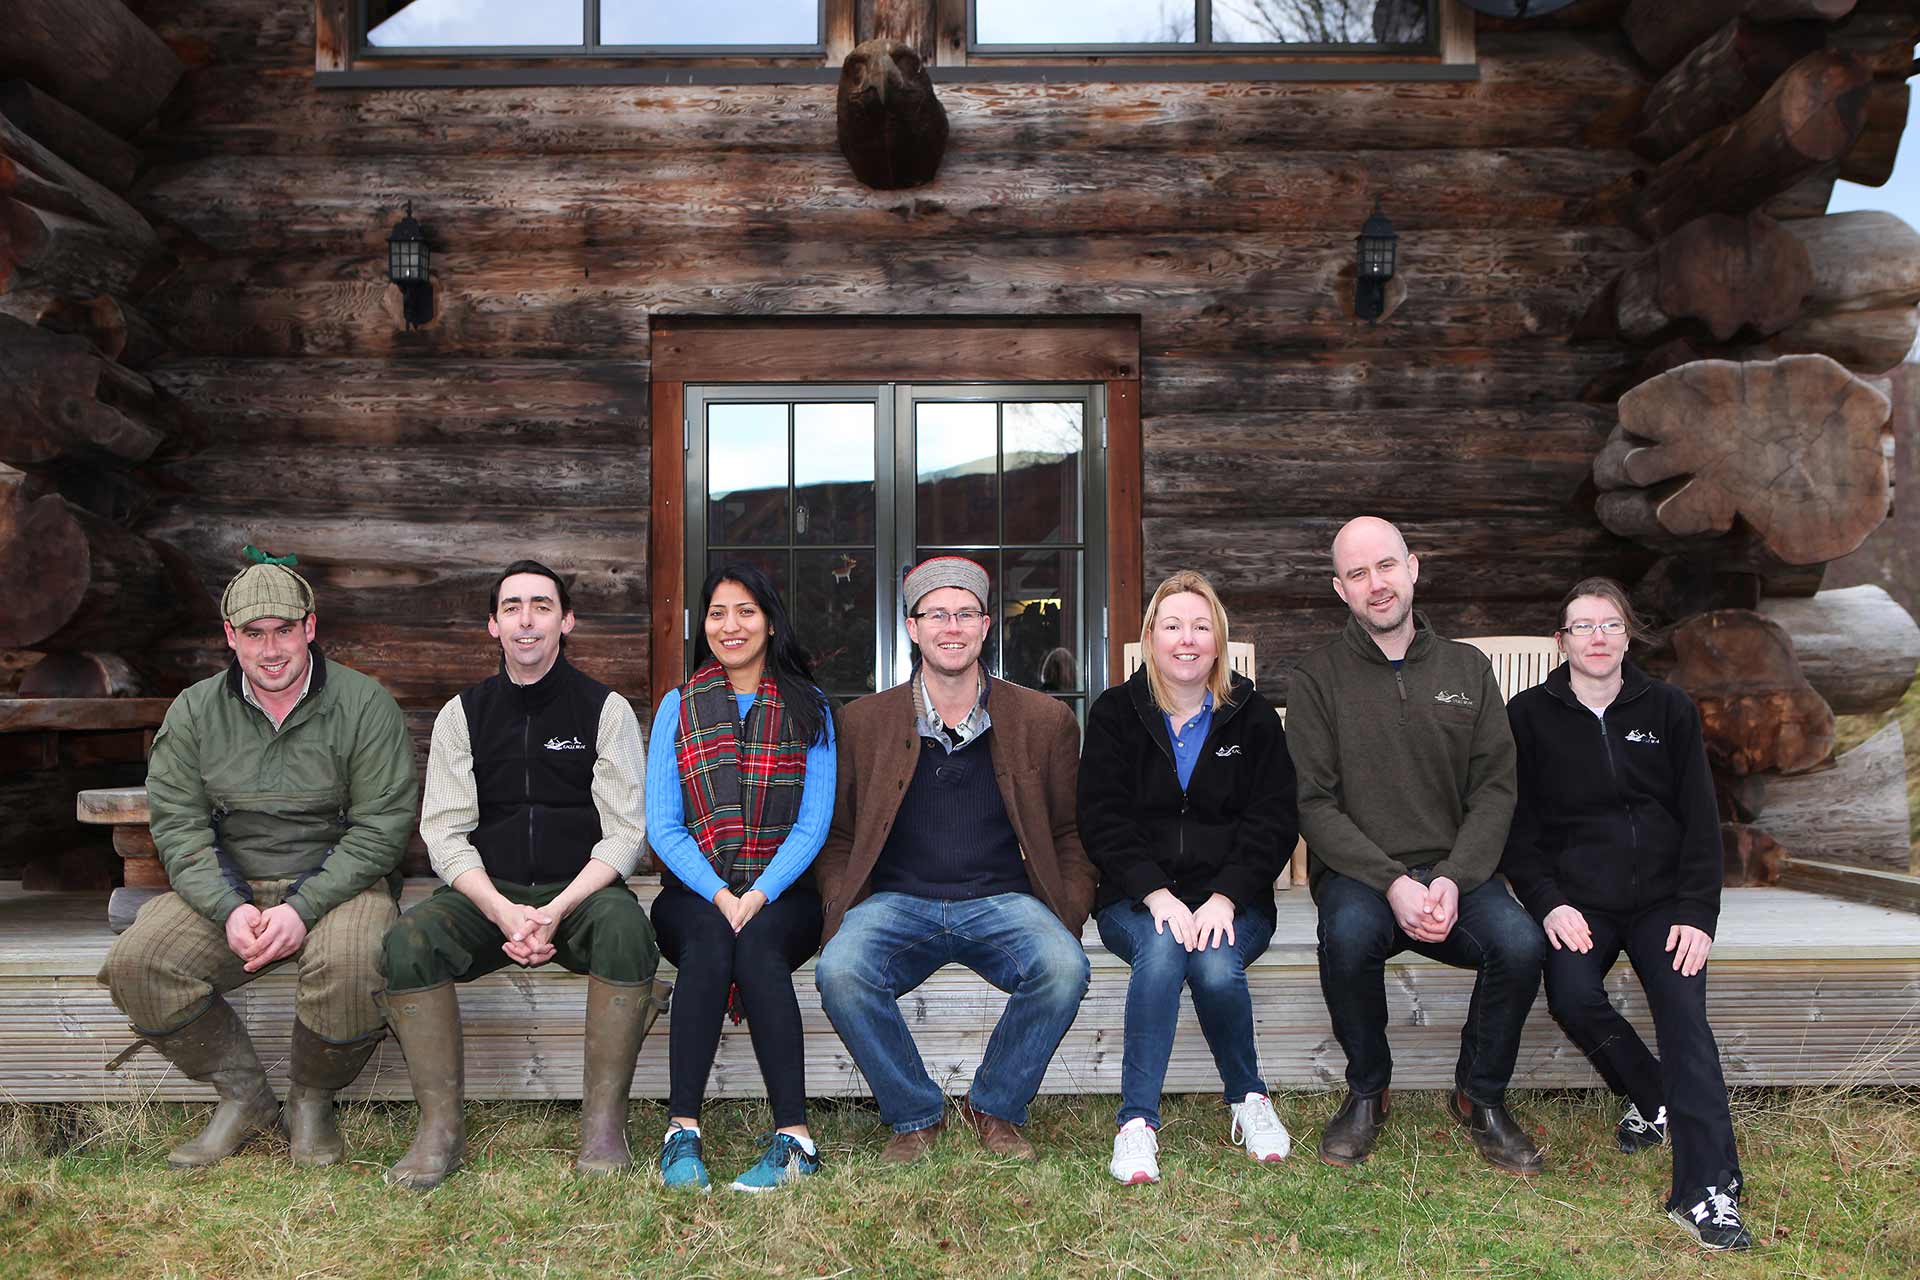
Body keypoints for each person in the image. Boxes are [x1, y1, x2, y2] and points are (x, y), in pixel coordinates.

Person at [99, 552, 418, 1169]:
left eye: (283, 630)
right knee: (138, 963)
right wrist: (229, 908)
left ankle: (312, 1100)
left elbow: (382, 828)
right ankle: (244, 1096)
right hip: (230, 884)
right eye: (253, 633)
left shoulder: (364, 704)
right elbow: (179, 828)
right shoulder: (193, 711)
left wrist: (302, 908)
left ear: (310, 628)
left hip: (338, 883)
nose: (271, 649)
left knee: (359, 960)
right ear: (230, 637)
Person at [380, 560, 660, 1190]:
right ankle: (438, 1131)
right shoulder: (463, 714)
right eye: (512, 607)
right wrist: (503, 910)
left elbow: (625, 833)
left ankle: (604, 1126)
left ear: (567, 621)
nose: (526, 619)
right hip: (488, 892)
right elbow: (444, 833)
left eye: (541, 605)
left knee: (628, 933)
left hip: (581, 892)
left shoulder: (604, 709)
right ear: (492, 625)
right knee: (408, 941)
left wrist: (556, 908)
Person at [813, 556, 1094, 1162]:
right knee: (838, 972)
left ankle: (994, 1106)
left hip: (1003, 901)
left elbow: (1072, 833)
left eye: (966, 614)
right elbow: (836, 836)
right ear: (912, 628)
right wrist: (842, 901)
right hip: (897, 903)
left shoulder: (1044, 722)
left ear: (987, 626)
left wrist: (1068, 908)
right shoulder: (863, 723)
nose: (952, 627)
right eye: (936, 614)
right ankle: (914, 1114)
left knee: (1065, 968)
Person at [1288, 516, 1546, 1174]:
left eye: (1386, 566)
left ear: (1414, 568)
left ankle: (1479, 1095)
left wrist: (1454, 879)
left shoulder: (1468, 667)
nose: (1375, 584)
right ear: (1340, 589)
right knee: (1345, 936)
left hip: (1458, 873)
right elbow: (1313, 803)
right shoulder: (1319, 678)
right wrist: (1393, 882)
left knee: (1518, 945)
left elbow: (1495, 789)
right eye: (1357, 574)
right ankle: (1368, 1091)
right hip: (1362, 875)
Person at [1502, 577, 1749, 1250]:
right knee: (1573, 997)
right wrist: (1549, 903)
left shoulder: (1667, 708)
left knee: (1683, 1015)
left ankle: (1708, 1190)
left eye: (1610, 624)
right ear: (1562, 641)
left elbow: (1702, 819)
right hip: (1581, 903)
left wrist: (1697, 912)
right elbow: (1516, 829)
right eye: (1583, 626)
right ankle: (1651, 1095)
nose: (1598, 637)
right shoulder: (1528, 715)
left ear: (1627, 633)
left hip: (1665, 904)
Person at [1079, 570, 1298, 1185]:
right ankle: (1137, 1126)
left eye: (1201, 627)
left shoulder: (1252, 717)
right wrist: (1156, 894)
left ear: (1219, 640)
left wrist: (1226, 897)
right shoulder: (1117, 714)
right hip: (1134, 899)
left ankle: (1248, 1101)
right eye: (1172, 625)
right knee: (1163, 944)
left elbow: (1274, 821)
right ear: (1150, 637)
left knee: (1216, 962)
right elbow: (1102, 817)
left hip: (1236, 899)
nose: (1187, 639)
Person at [646, 563, 836, 1192]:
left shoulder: (810, 708)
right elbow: (664, 826)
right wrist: (722, 894)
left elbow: (812, 827)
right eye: (718, 613)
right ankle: (682, 1133)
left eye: (746, 611)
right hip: (695, 891)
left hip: (784, 893)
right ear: (704, 626)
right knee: (707, 945)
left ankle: (795, 1140)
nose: (731, 625)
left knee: (756, 947)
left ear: (772, 620)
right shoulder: (679, 706)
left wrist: (755, 895)